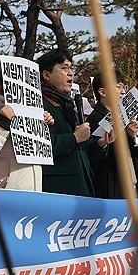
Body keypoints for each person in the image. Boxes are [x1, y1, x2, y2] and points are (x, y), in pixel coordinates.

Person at [0, 52, 54, 190]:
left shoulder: (24, 109)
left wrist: (44, 123)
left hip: (28, 194)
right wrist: (2, 124)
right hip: (0, 194)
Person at [36, 48, 111, 196]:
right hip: (59, 191)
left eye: (71, 68)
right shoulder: (39, 104)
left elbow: (83, 150)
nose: (71, 73)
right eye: (64, 68)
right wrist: (74, 137)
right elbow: (40, 146)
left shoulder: (69, 105)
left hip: (82, 187)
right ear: (46, 75)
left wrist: (101, 144)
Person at [87, 70, 138, 199]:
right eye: (118, 87)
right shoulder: (95, 118)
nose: (123, 91)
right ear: (103, 92)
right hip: (109, 185)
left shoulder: (121, 117)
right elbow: (95, 158)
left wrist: (130, 135)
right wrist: (104, 143)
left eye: (123, 87)